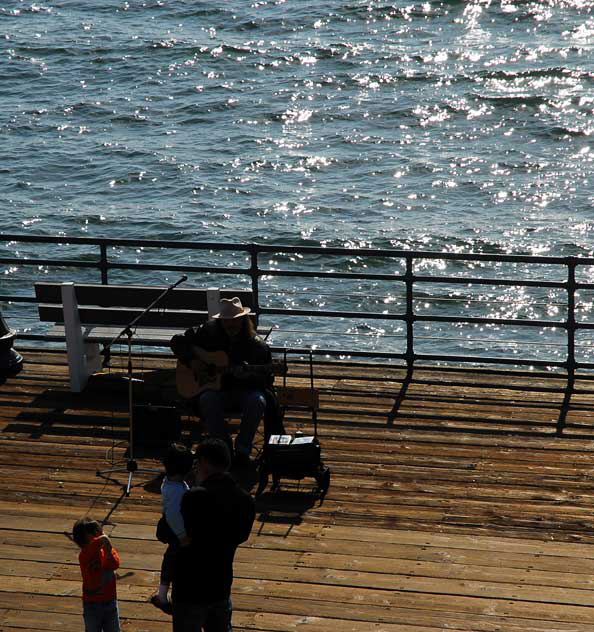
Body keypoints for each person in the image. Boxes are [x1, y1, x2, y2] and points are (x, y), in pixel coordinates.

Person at [171, 296, 281, 465]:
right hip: (217, 392)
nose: (230, 325)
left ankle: (243, 450)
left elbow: (267, 379)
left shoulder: (256, 346)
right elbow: (178, 341)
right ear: (220, 321)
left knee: (258, 401)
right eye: (226, 321)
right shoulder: (207, 332)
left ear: (243, 320)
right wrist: (193, 361)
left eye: (235, 321)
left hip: (244, 392)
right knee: (208, 399)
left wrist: (248, 375)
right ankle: (223, 448)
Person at [171, 438, 256, 631]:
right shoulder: (245, 500)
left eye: (197, 463)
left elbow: (166, 532)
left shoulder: (194, 497)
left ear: (205, 463)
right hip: (220, 585)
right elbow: (241, 537)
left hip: (189, 587)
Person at [151, 443, 194, 615]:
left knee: (171, 560)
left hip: (173, 530)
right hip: (177, 532)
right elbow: (174, 515)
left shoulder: (170, 483)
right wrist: (182, 535)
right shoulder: (177, 490)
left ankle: (162, 594)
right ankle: (164, 596)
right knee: (173, 561)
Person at [72, 517, 121, 632]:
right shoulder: (84, 555)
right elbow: (91, 549)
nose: (98, 536)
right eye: (94, 534)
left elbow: (115, 564)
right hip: (92, 604)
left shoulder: (106, 551)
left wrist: (108, 552)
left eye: (99, 533)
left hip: (110, 601)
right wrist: (101, 540)